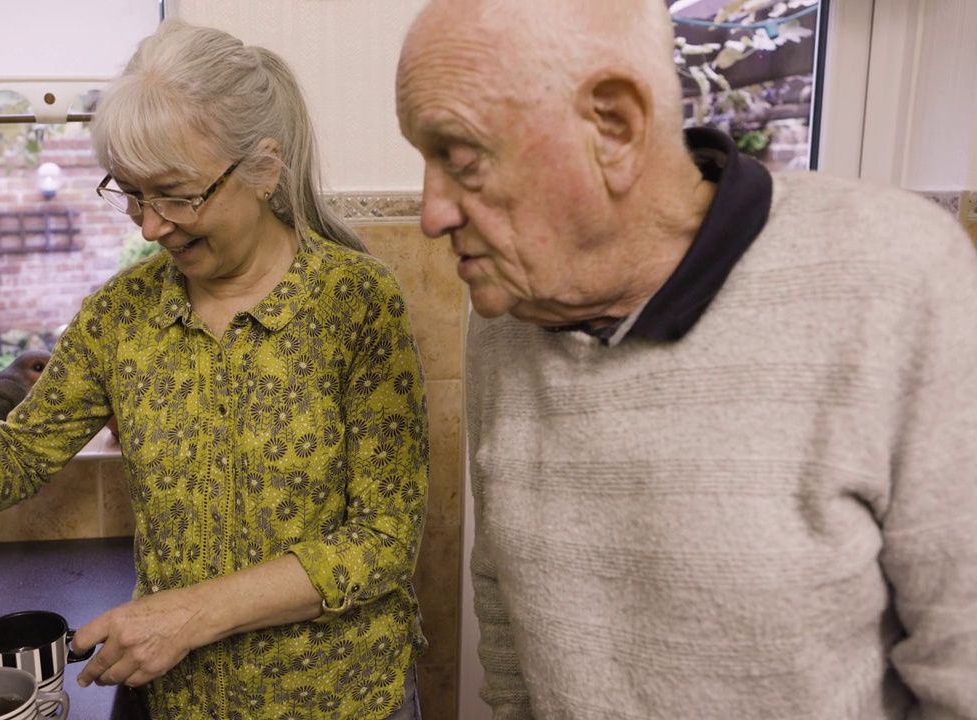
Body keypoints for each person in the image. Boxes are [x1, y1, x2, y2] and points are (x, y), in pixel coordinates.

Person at [0, 19, 430, 720]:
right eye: (133, 194)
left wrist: (191, 615)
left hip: (342, 697)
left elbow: (382, 541)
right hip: (184, 701)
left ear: (266, 168)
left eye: (177, 194)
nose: (150, 226)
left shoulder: (356, 303)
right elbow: (19, 453)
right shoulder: (122, 315)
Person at [396, 1, 977, 718]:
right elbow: (506, 611)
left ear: (613, 126)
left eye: (460, 161)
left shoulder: (899, 273)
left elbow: (964, 666)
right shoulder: (511, 306)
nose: (431, 214)